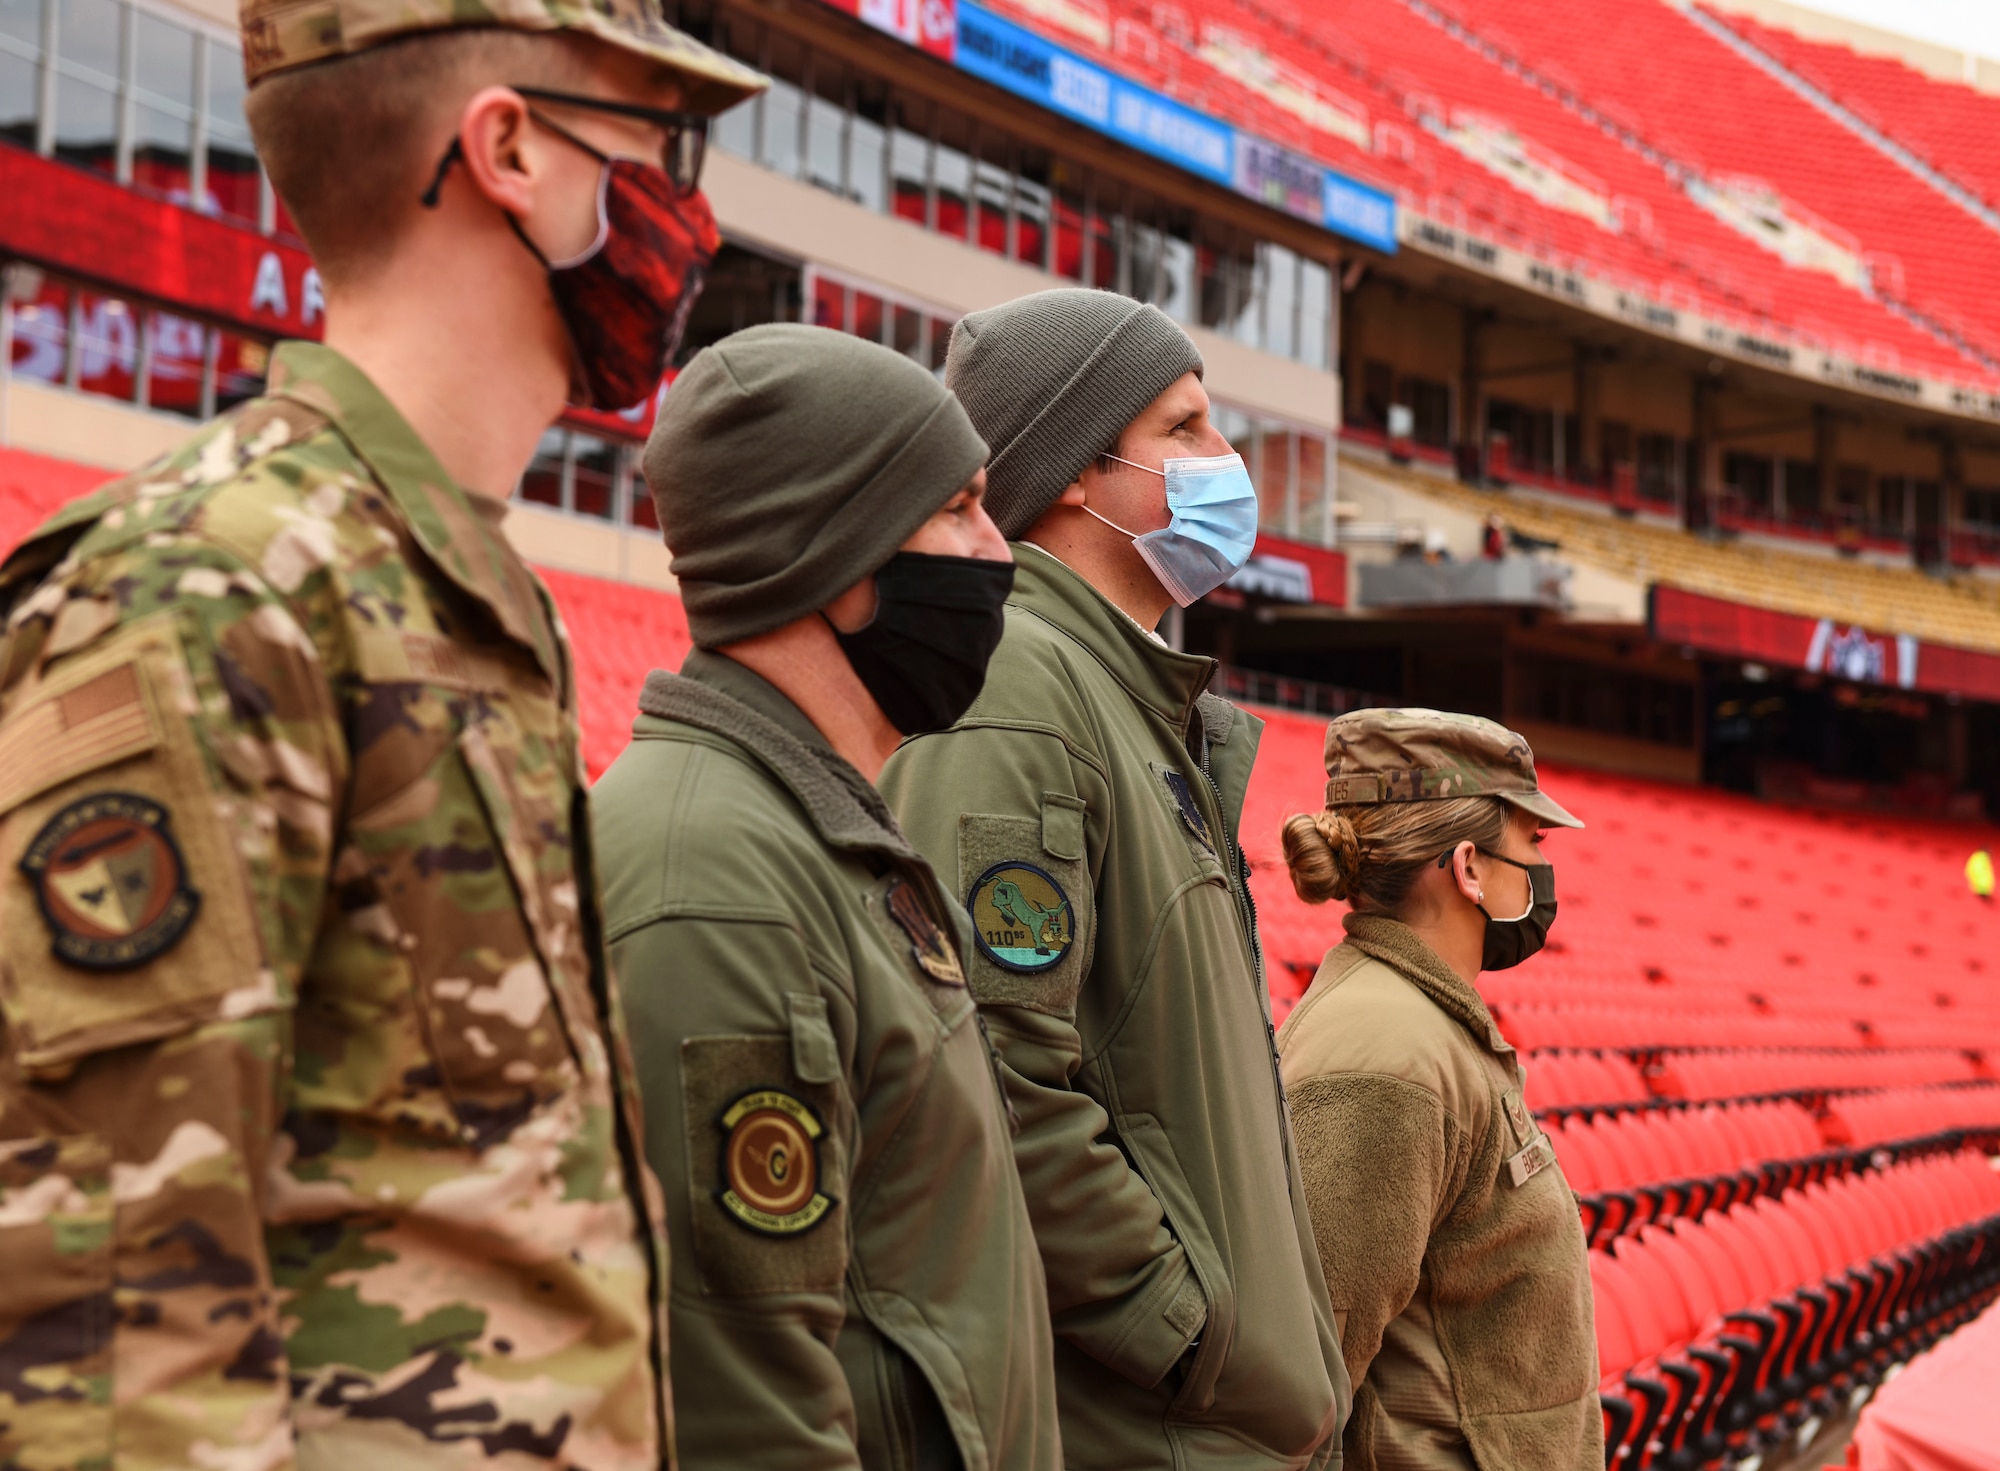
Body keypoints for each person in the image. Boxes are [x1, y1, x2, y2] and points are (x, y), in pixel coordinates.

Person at [0, 2, 763, 1464]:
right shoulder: (215, 591)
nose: (686, 203)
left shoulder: (445, 586)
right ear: (512, 149)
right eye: (657, 141)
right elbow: (100, 1340)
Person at [878, 287, 1348, 1469]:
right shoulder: (1017, 691)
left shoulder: (1123, 701)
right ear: (1077, 474)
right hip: (1145, 1428)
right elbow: (992, 1075)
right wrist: (1187, 1334)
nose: (1222, 461)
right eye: (1183, 429)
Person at [594, 324, 1060, 1470]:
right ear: (831, 557)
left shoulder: (813, 829)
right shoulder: (712, 880)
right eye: (956, 510)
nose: (998, 553)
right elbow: (735, 1399)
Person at [1276, 709, 1601, 1471]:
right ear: (1468, 866)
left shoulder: (1420, 1022)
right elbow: (1304, 1386)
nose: (1542, 868)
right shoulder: (1386, 1054)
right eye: (1533, 843)